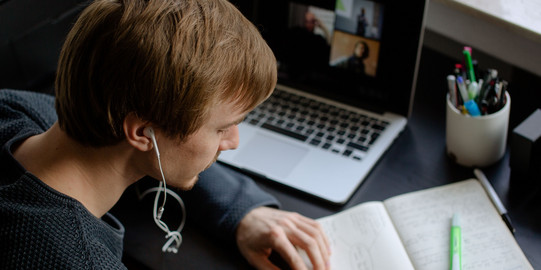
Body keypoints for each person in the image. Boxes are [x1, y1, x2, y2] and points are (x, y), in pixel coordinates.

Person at [0, 0, 330, 269]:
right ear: (143, 133)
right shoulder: (79, 259)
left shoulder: (14, 109)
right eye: (221, 128)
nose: (233, 142)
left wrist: (241, 210)